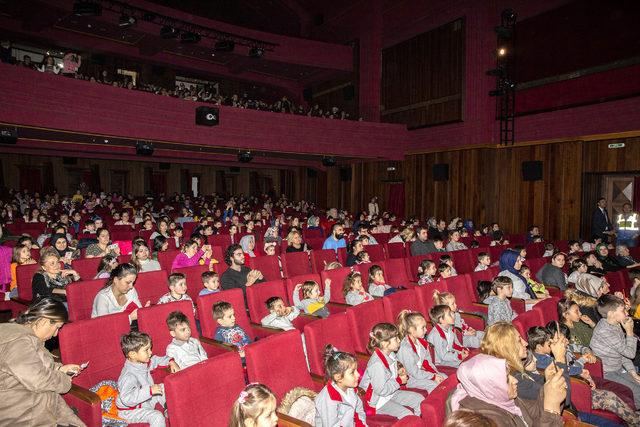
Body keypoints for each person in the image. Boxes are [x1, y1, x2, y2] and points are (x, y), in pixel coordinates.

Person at [0, 298, 87, 426]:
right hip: (23, 415)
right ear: (44, 321)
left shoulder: (24, 335)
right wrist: (64, 380)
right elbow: (38, 379)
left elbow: (32, 365)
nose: (56, 334)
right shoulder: (18, 341)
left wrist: (59, 369)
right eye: (57, 327)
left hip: (34, 404)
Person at [451, 353, 565, 426]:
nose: (515, 380)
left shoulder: (500, 398)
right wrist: (551, 409)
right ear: (490, 388)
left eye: (509, 375)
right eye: (506, 379)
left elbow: (533, 412)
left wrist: (549, 388)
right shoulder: (487, 421)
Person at [359, 323, 424, 418]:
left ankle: (419, 422)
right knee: (407, 415)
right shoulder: (377, 364)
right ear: (385, 344)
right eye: (395, 339)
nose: (399, 340)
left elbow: (393, 366)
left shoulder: (391, 353)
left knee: (419, 399)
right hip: (378, 401)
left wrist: (399, 369)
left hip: (391, 393)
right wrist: (399, 381)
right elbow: (381, 390)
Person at [116, 331, 179, 427]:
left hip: (145, 401)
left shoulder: (143, 362)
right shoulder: (129, 376)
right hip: (131, 410)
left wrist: (170, 362)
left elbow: (157, 359)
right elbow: (126, 399)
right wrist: (149, 391)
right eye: (146, 350)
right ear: (132, 354)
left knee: (163, 387)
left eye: (150, 348)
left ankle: (168, 409)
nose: (151, 352)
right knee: (157, 416)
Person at [590, 294, 640, 408]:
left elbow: (623, 353)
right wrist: (629, 332)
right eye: (623, 311)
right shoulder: (604, 331)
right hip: (607, 372)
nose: (627, 314)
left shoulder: (615, 324)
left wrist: (632, 372)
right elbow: (630, 353)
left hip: (618, 368)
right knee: (636, 393)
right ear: (611, 314)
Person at [315, 345, 366, 426]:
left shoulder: (351, 388)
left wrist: (362, 424)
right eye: (352, 372)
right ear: (338, 377)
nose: (358, 374)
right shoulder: (328, 400)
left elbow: (359, 411)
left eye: (356, 370)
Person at [396, 309, 446, 392]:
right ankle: (432, 404)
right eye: (423, 328)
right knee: (433, 385)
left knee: (444, 377)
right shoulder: (405, 349)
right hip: (409, 378)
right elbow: (414, 372)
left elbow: (427, 362)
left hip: (420, 373)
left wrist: (436, 374)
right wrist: (433, 377)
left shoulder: (421, 343)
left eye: (425, 327)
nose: (426, 330)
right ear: (411, 330)